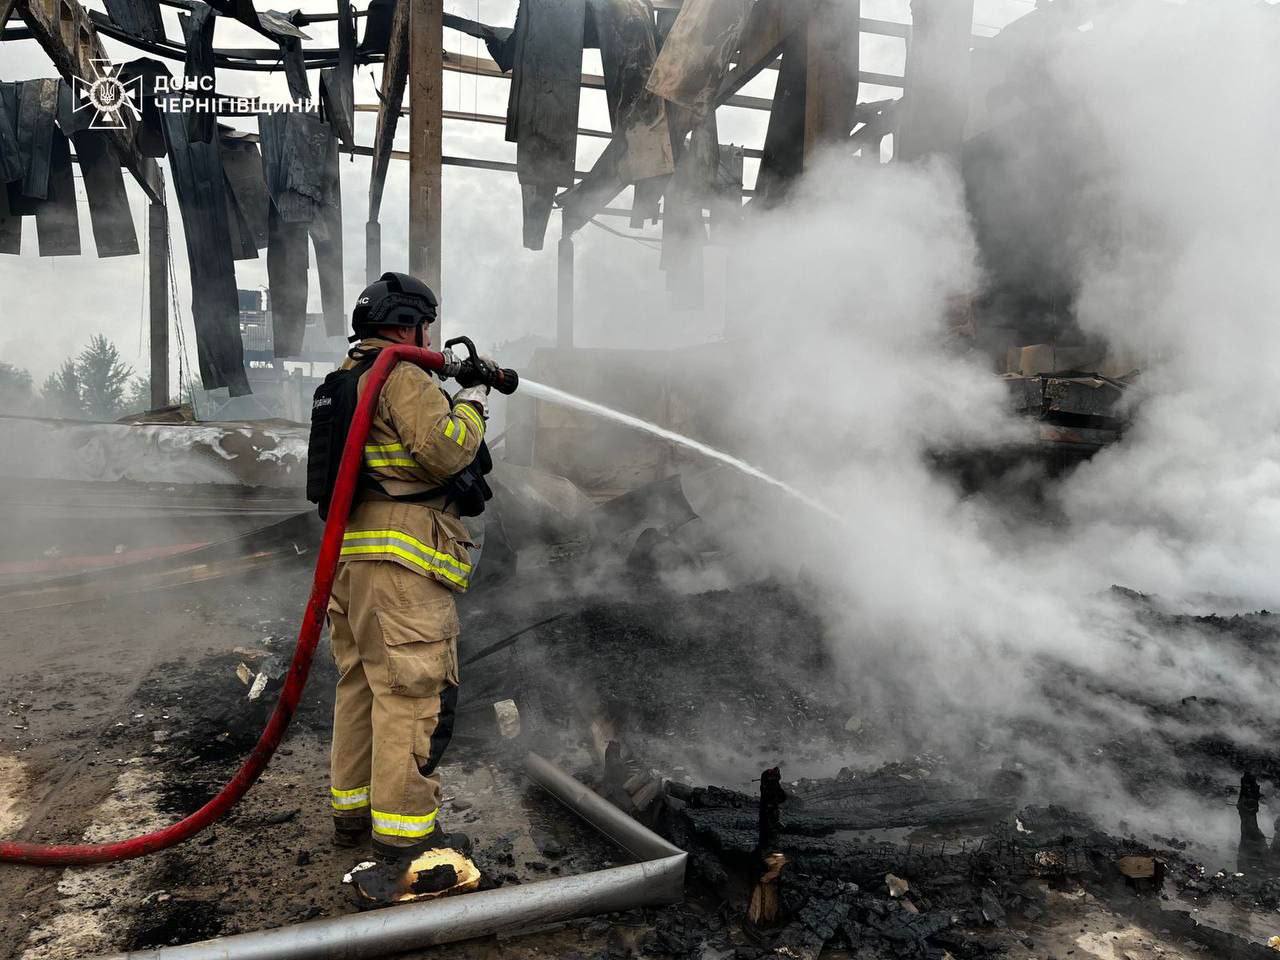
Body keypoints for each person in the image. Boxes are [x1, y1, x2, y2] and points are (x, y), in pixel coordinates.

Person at [324, 272, 493, 904]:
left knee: (362, 686)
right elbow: (446, 451)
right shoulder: (401, 375)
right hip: (402, 567)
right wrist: (472, 400)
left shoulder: (348, 378)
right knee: (412, 693)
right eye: (424, 325)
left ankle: (353, 812)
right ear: (407, 324)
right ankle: (405, 841)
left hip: (355, 563)